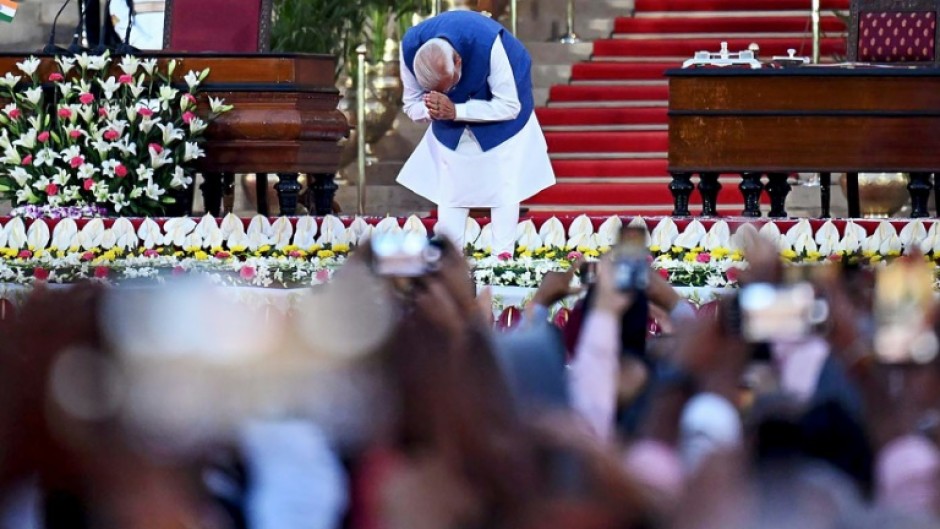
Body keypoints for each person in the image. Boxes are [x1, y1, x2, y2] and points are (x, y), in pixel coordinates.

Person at [398, 10, 555, 255]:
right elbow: (411, 104)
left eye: (448, 87)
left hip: (505, 117)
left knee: (504, 188)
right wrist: (432, 110)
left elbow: (510, 106)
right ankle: (448, 265)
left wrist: (456, 110)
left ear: (458, 61)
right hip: (449, 124)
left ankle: (502, 263)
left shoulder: (488, 43)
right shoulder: (410, 48)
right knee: (451, 191)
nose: (447, 93)